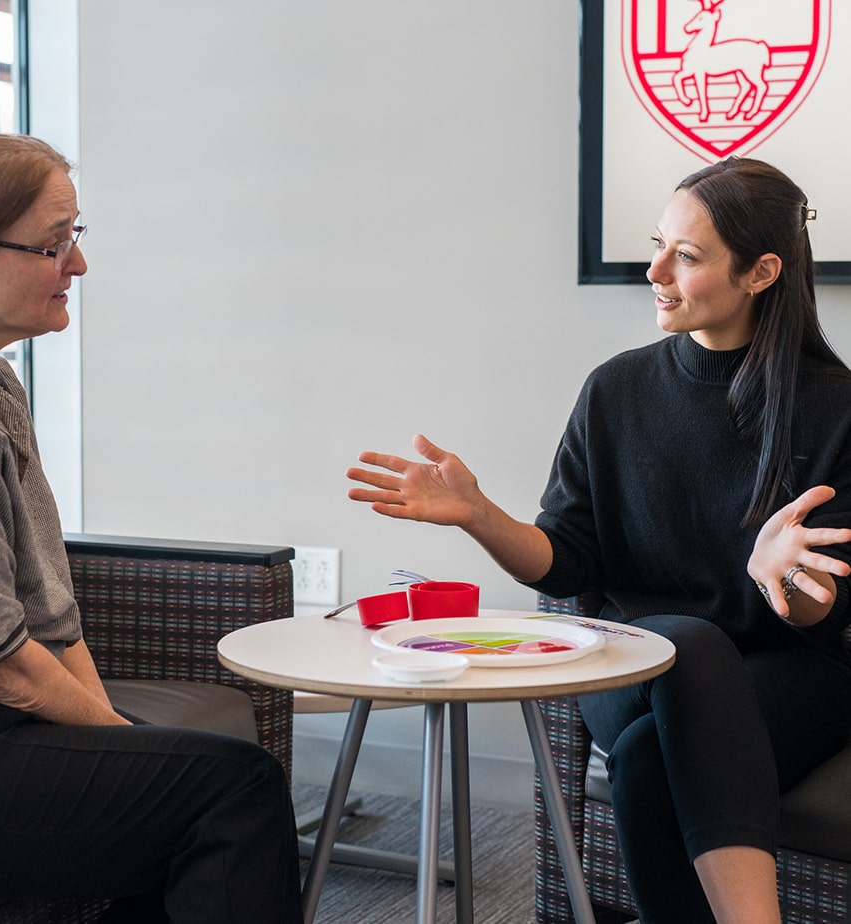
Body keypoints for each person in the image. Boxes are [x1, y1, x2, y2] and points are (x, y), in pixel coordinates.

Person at [346, 156, 851, 924]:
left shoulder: (834, 407)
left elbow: (827, 615)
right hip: (629, 659)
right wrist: (479, 513)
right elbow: (567, 561)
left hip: (790, 669)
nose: (654, 271)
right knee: (687, 646)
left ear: (761, 272)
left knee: (651, 759)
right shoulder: (617, 390)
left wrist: (781, 581)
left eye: (686, 256)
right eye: (658, 244)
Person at [0, 132, 303, 923]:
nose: (78, 266)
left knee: (182, 788)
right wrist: (124, 742)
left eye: (76, 236)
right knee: (235, 787)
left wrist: (126, 744)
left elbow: (49, 611)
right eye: (51, 245)